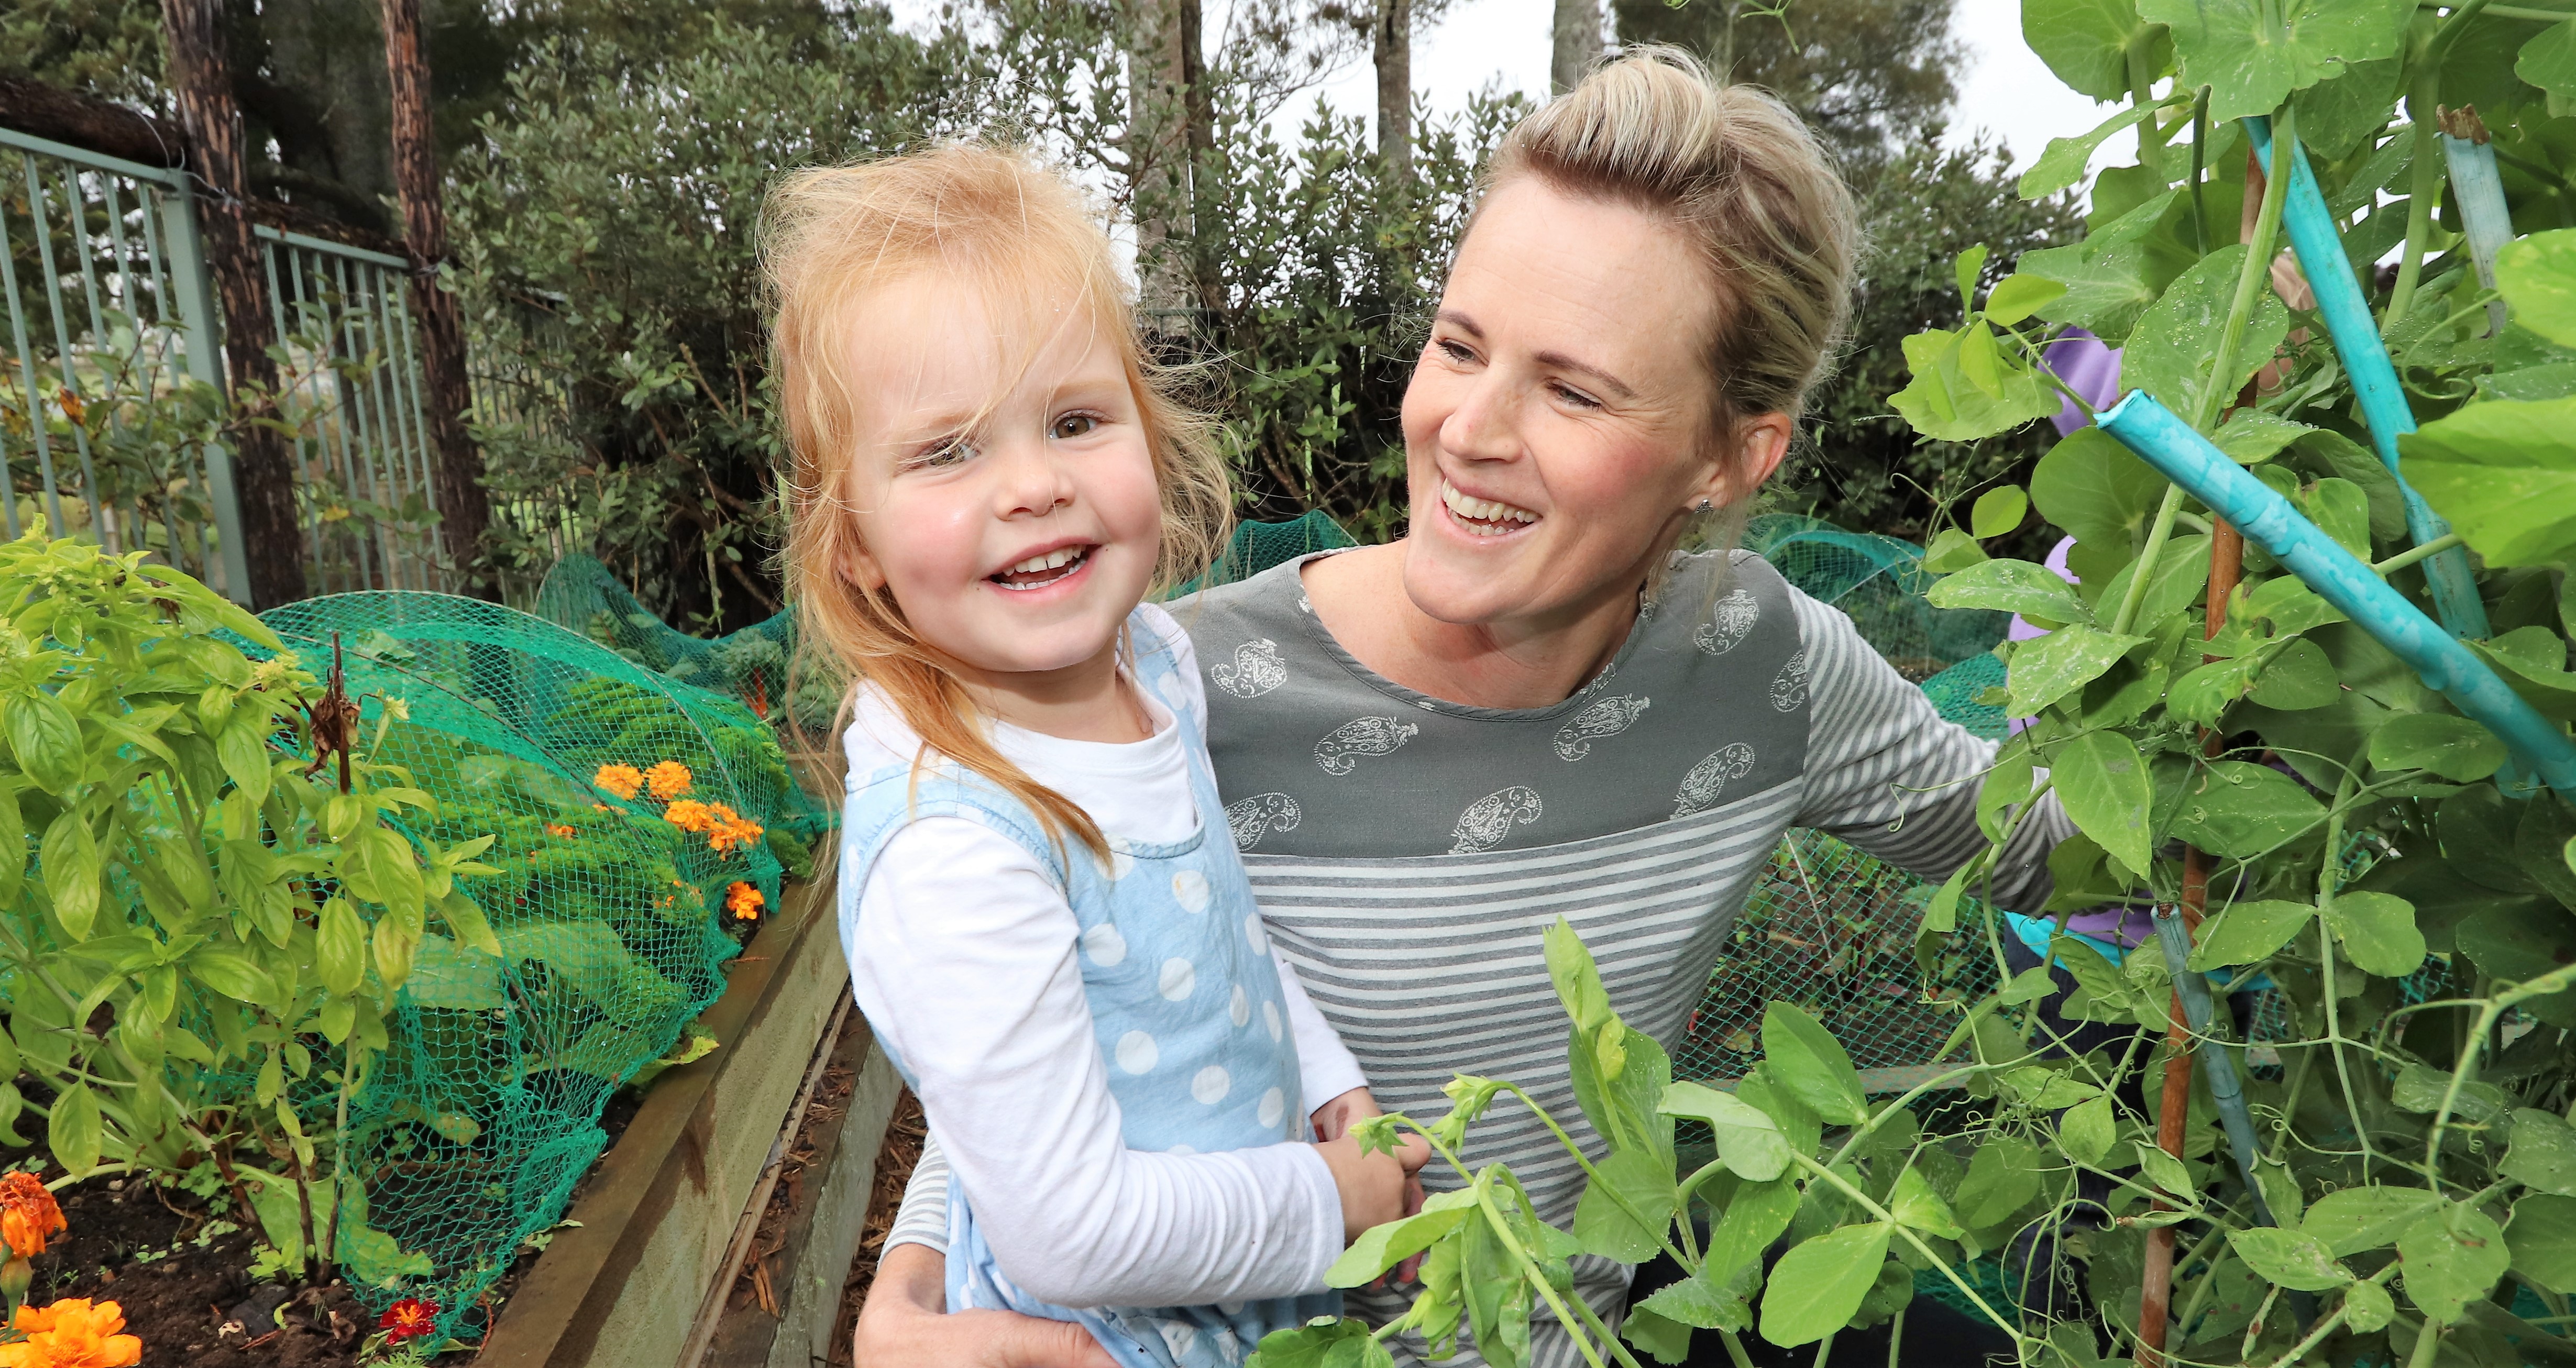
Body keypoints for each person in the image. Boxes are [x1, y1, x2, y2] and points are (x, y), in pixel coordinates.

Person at [855, 50, 2075, 1368]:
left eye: (1573, 388)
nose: (1468, 429)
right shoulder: (1187, 691)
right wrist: (909, 1294)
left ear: (1730, 457)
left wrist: (2216, 527)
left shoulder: (1760, 668)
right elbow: (1044, 1028)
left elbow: (2052, 848)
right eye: (1458, 346)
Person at [770, 146, 1428, 1368]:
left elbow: (1220, 933)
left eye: (1074, 420)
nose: (1032, 484)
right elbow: (1074, 1233)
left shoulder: (1157, 667)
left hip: (1254, 1292)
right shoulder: (955, 848)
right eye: (948, 449)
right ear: (850, 542)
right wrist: (1336, 1195)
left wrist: (1326, 1074)